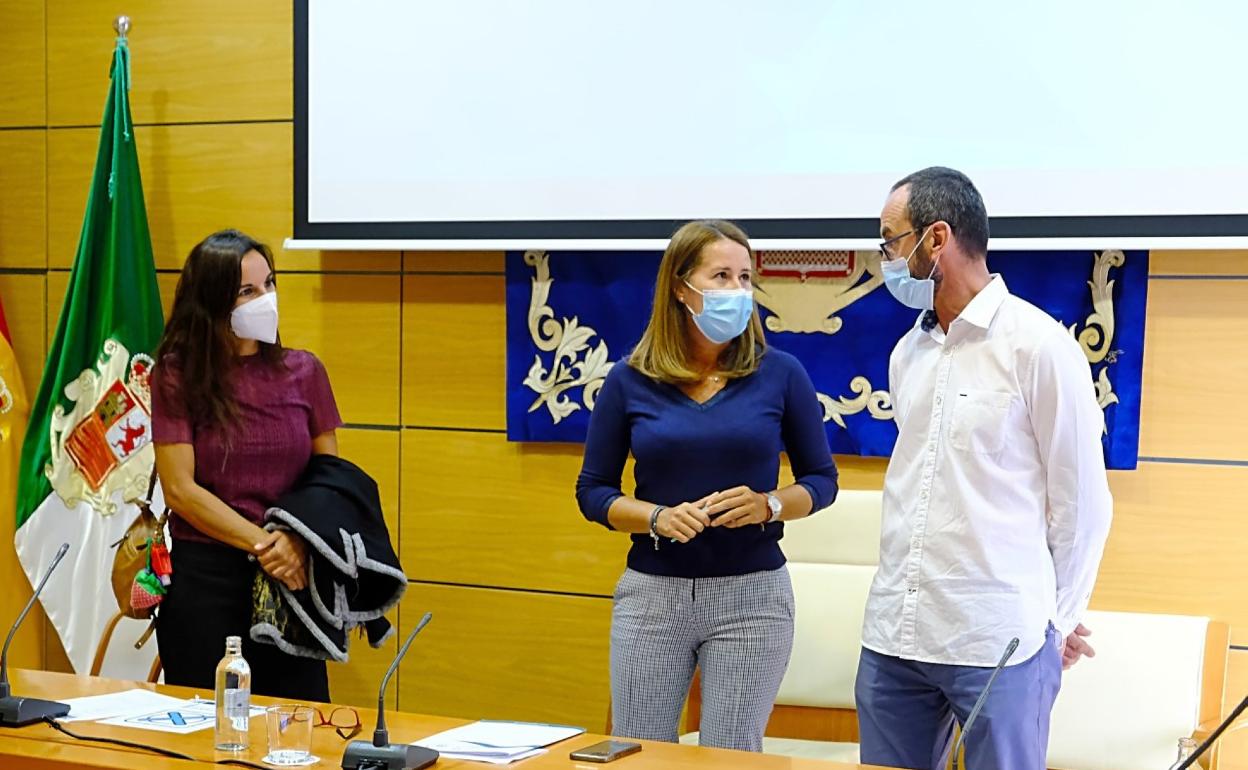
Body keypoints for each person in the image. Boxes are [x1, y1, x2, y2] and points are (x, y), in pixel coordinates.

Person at [855, 167, 1114, 770]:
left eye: (891, 241)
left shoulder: (1040, 346)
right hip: (896, 633)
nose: (886, 258)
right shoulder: (907, 351)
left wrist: (1058, 621)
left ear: (936, 239)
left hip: (998, 641)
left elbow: (1083, 506)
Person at [575, 219, 839, 751]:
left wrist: (768, 504)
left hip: (752, 597)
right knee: (638, 752)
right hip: (653, 594)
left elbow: (821, 481)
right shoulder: (629, 380)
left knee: (730, 756)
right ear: (680, 286)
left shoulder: (781, 373)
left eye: (745, 278)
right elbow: (593, 491)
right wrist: (655, 516)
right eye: (721, 276)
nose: (738, 291)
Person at [151, 229, 343, 701]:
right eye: (248, 291)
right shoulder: (178, 374)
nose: (266, 300)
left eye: (270, 284)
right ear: (214, 302)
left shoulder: (304, 371)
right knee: (207, 736)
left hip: (293, 576)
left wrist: (296, 542)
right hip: (207, 581)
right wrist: (263, 545)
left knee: (298, 730)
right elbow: (180, 489)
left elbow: (329, 479)